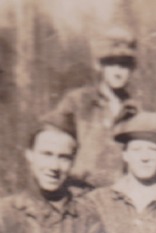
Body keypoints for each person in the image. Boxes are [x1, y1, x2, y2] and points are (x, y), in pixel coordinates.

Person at [52, 26, 139, 189]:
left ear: (132, 69)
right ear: (100, 66)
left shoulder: (136, 113)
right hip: (79, 193)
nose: (118, 71)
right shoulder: (77, 102)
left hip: (119, 199)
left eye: (125, 65)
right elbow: (52, 147)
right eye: (111, 63)